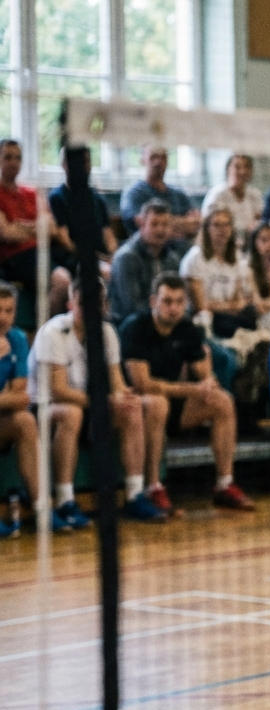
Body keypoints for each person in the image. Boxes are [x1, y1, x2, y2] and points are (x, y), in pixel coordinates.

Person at [28, 277, 169, 524]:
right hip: (46, 410)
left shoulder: (107, 332)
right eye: (84, 303)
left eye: (98, 303)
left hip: (87, 407)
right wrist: (105, 400)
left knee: (131, 407)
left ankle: (135, 494)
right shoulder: (53, 333)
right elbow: (59, 391)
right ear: (71, 304)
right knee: (71, 412)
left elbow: (116, 384)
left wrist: (124, 396)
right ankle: (64, 500)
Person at [120, 274, 255, 511]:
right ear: (153, 301)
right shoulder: (136, 328)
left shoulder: (187, 329)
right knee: (157, 402)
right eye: (167, 301)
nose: (173, 308)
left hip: (174, 402)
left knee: (222, 401)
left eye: (179, 302)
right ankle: (153, 486)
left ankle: (225, 484)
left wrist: (209, 383)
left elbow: (205, 374)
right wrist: (193, 388)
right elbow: (143, 384)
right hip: (136, 407)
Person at [0, 282, 69, 535]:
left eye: (9, 310)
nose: (3, 317)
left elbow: (21, 397)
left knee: (26, 421)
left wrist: (8, 397)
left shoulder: (17, 339)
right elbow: (14, 395)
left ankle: (42, 508)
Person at [0, 140, 72, 321]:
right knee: (62, 281)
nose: (13, 162)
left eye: (18, 158)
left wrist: (21, 227)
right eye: (7, 157)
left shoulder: (31, 193)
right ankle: (46, 335)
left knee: (86, 273)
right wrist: (38, 227)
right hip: (15, 258)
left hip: (44, 251)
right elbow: (7, 233)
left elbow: (53, 228)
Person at [47, 147, 118, 289]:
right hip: (72, 258)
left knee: (121, 267)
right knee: (105, 273)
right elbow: (65, 240)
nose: (83, 166)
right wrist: (94, 260)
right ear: (64, 165)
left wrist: (113, 257)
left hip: (101, 258)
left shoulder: (97, 199)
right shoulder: (57, 198)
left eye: (86, 161)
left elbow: (108, 235)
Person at [109, 199, 184, 325]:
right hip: (132, 327)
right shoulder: (126, 258)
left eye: (165, 224)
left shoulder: (173, 259)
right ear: (142, 225)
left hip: (165, 322)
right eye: (154, 224)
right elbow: (131, 307)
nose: (160, 230)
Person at [119, 146, 200, 248]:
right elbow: (142, 224)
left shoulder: (179, 194)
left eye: (163, 157)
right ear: (142, 161)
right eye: (153, 157)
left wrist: (169, 225)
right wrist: (183, 224)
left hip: (182, 254)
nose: (158, 162)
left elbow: (195, 223)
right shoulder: (134, 193)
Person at [201, 154, 264, 248]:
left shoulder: (255, 195)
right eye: (237, 167)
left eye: (246, 167)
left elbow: (260, 221)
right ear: (228, 170)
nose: (242, 171)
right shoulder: (218, 195)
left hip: (249, 246)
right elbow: (210, 227)